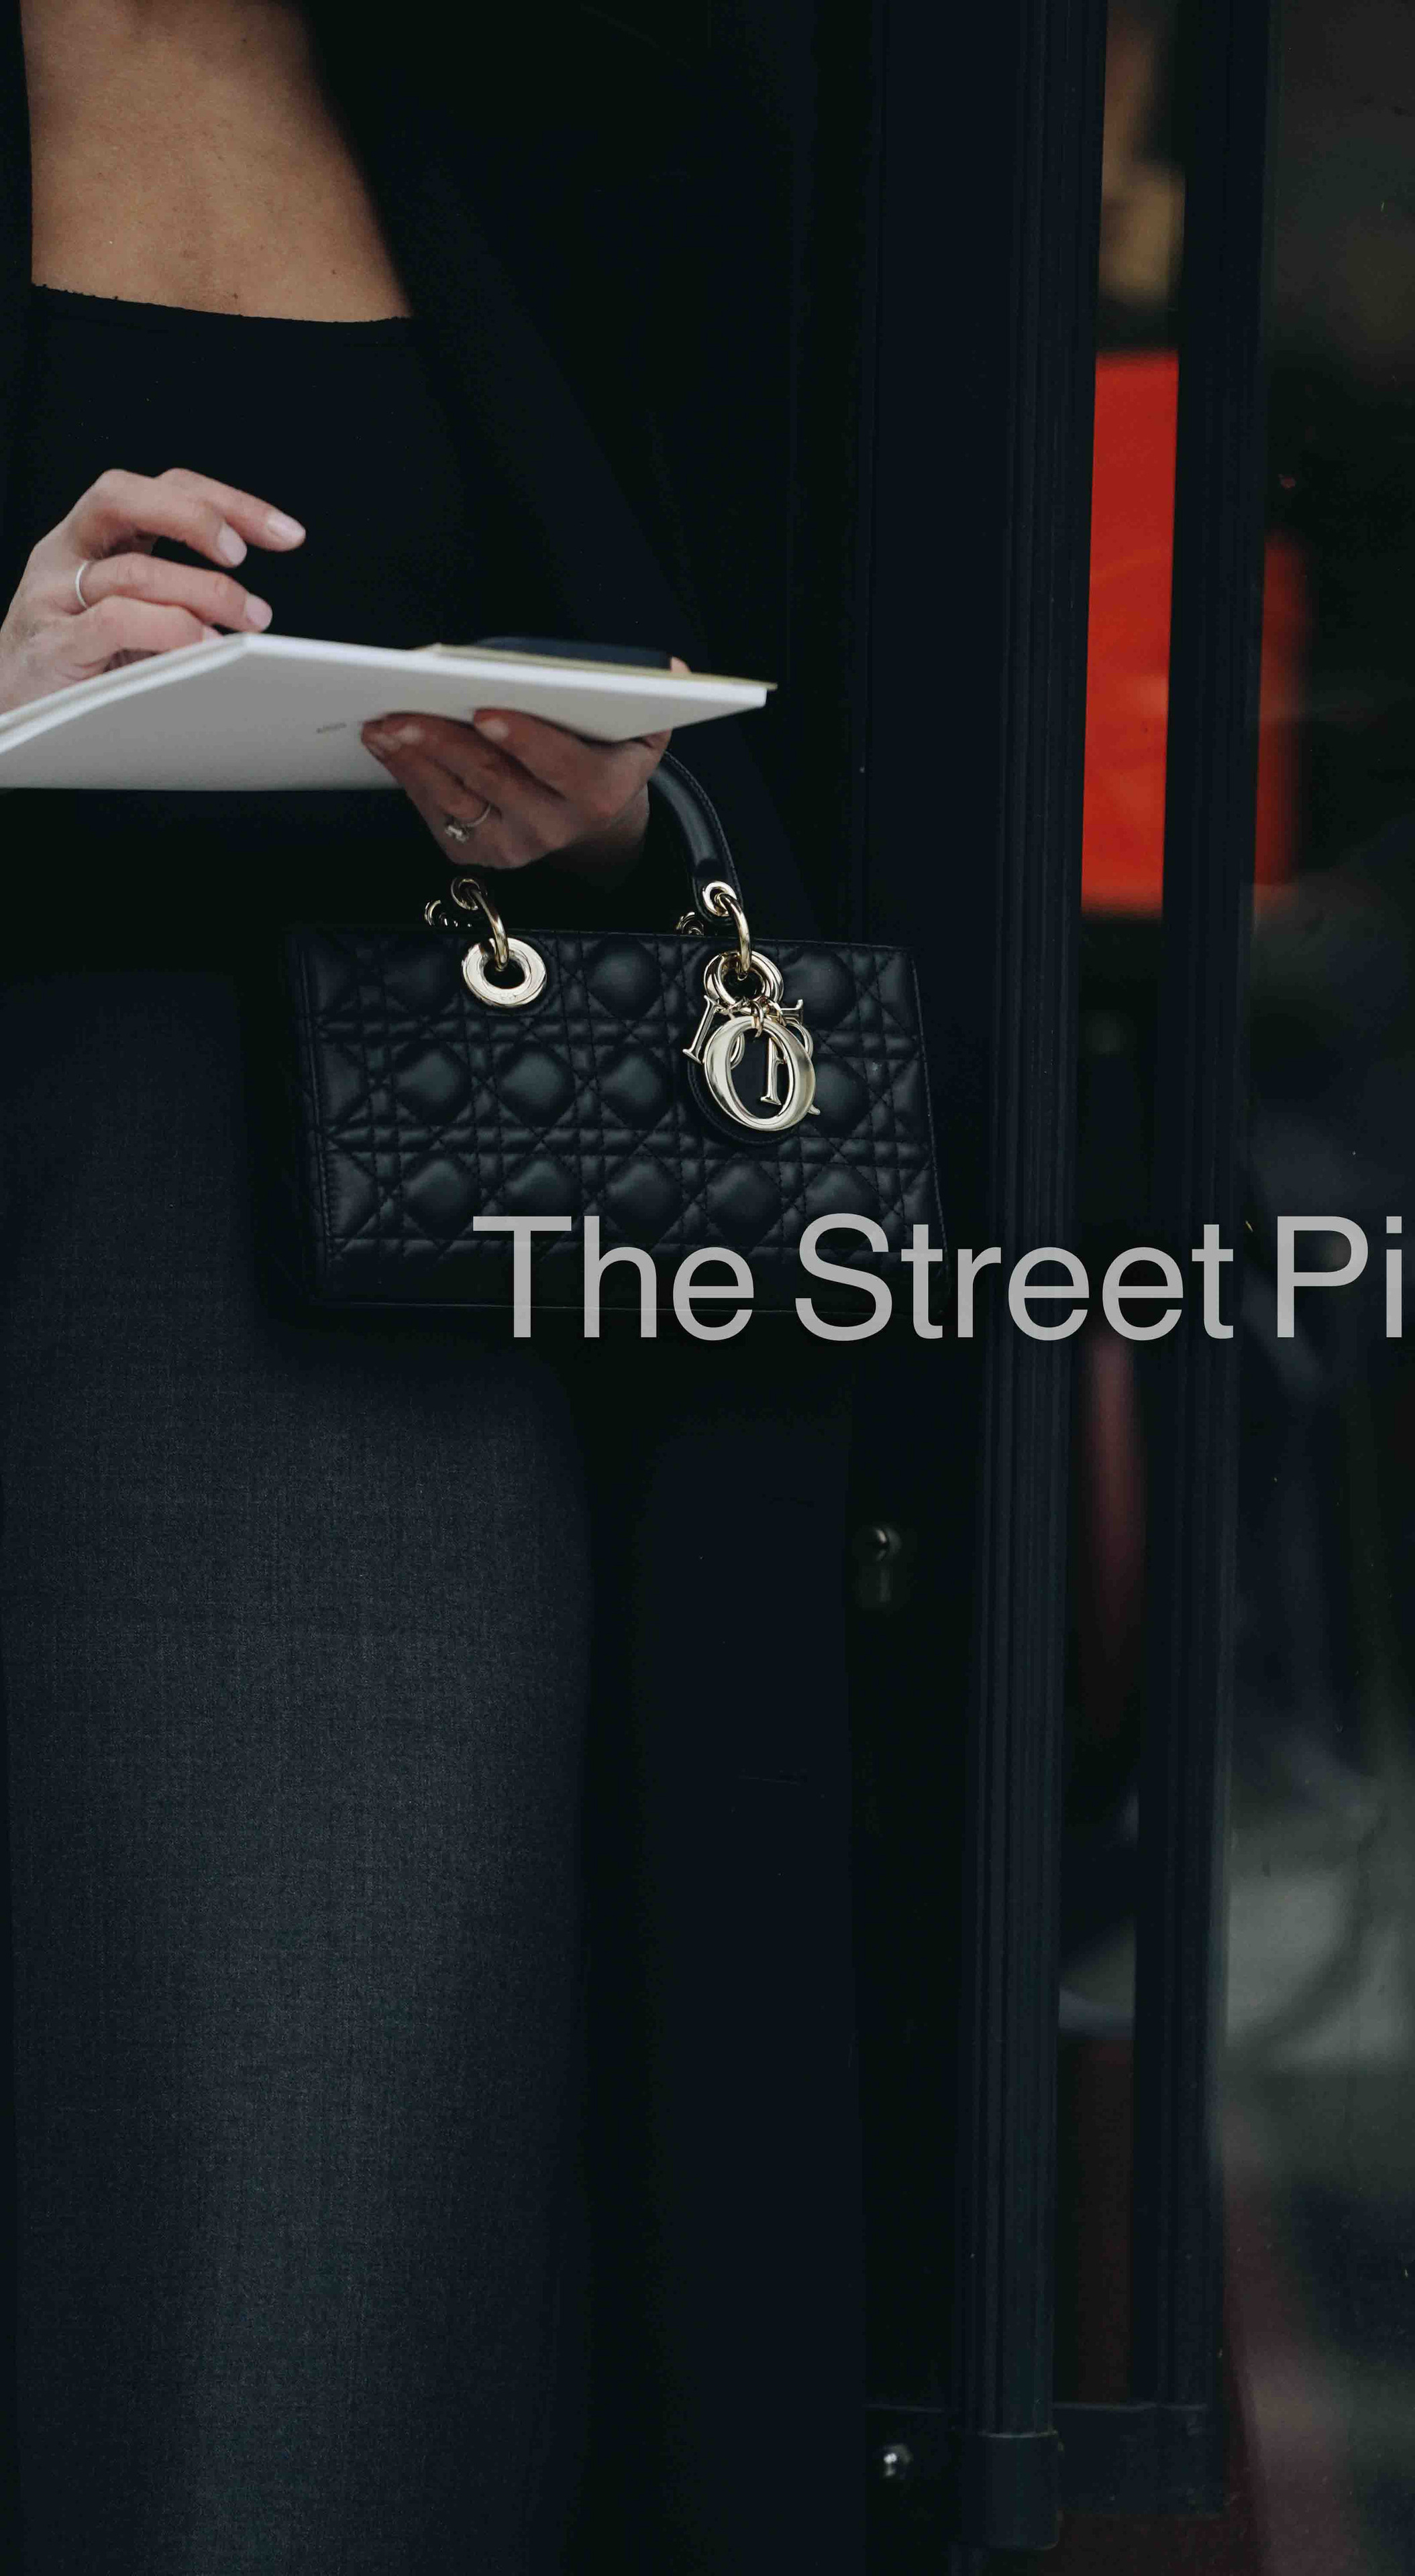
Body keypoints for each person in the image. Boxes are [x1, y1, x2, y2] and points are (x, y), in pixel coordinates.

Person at [0, 3, 863, 2568]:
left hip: (315, 1333)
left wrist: (611, 821)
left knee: (304, 2283)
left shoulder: (575, 105)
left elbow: (773, 715)